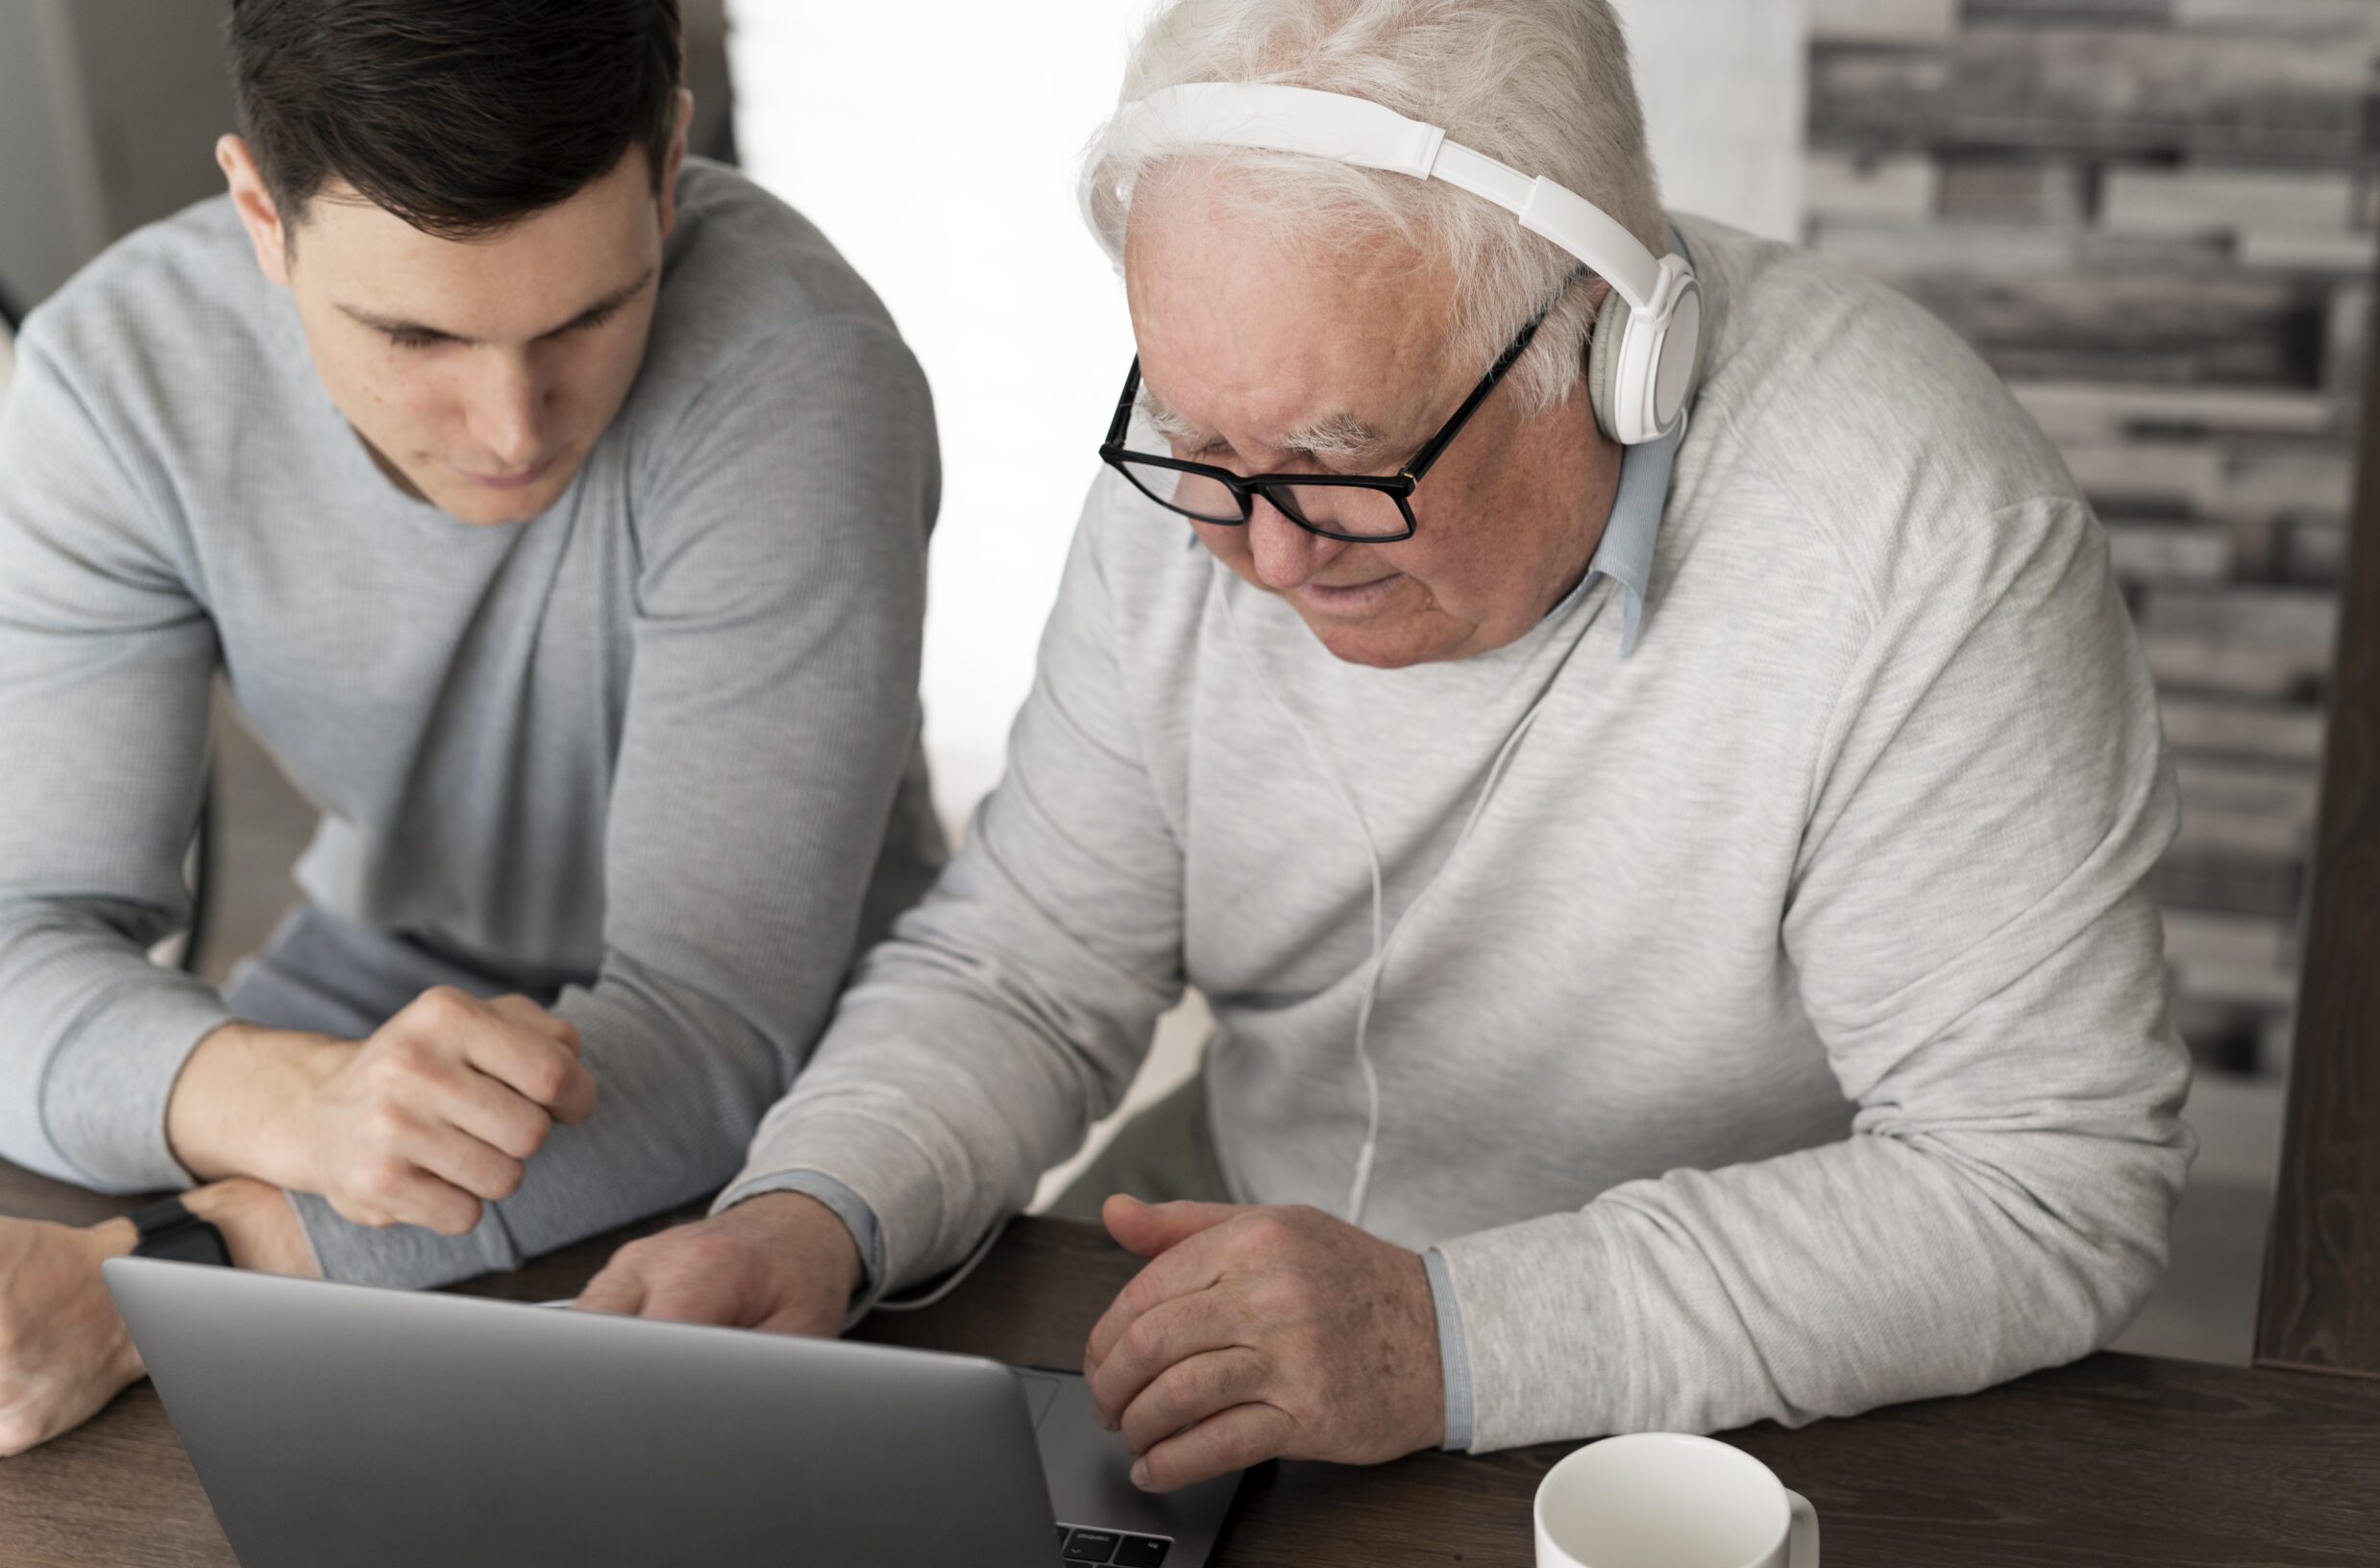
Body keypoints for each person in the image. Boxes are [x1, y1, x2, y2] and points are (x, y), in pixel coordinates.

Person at [581, 0, 2193, 1489]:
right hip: (1249, 1289)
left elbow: (2041, 1185)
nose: (1264, 559)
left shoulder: (1929, 543)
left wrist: (1450, 1336)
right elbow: (1034, 960)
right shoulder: (1219, 469)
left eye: (1343, 467)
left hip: (1729, 1410)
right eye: (1201, 451)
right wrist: (811, 1210)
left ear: (1611, 348)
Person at [0, 0, 943, 1456]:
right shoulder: (118, 380)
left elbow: (715, 1028)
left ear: (673, 159)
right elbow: (21, 937)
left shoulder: (797, 371)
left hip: (798, 1085)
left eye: (586, 314)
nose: (512, 426)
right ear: (262, 212)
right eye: (414, 333)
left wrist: (161, 1282)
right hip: (372, 1004)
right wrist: (293, 1101)